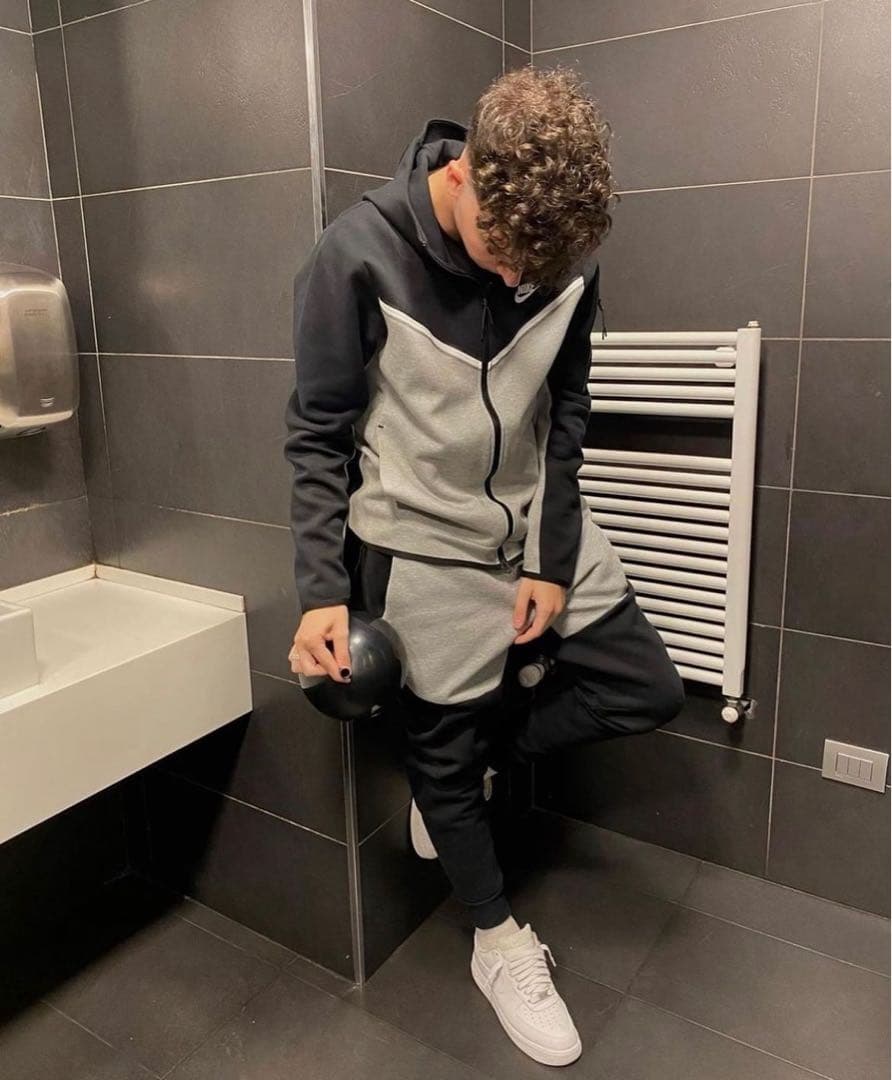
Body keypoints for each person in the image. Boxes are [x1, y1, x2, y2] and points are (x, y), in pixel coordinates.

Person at [283, 65, 685, 1067]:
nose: (515, 284)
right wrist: (322, 589)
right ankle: (496, 941)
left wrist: (551, 558)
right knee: (441, 756)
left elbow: (568, 413)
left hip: (534, 526)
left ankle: (467, 769)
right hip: (423, 548)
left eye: (536, 270)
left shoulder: (556, 253)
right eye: (501, 256)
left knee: (647, 687)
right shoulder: (354, 254)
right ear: (461, 172)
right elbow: (317, 433)